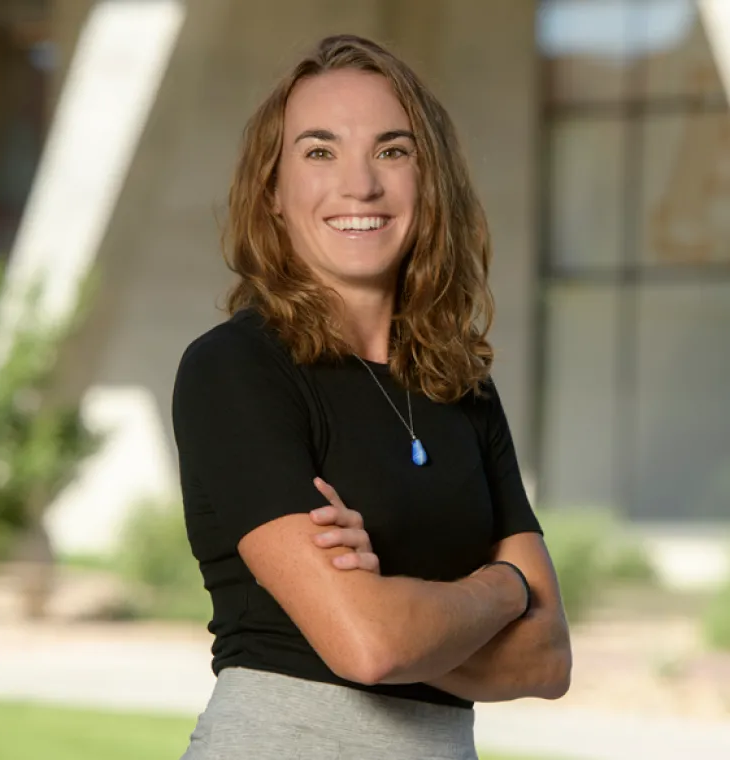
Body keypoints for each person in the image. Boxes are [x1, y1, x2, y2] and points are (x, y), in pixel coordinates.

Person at [171, 33, 571, 760]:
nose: (359, 185)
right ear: (274, 193)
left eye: (393, 150)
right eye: (319, 151)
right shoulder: (235, 370)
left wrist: (387, 602)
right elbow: (370, 647)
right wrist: (505, 589)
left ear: (431, 181)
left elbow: (547, 663)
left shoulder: (461, 385)